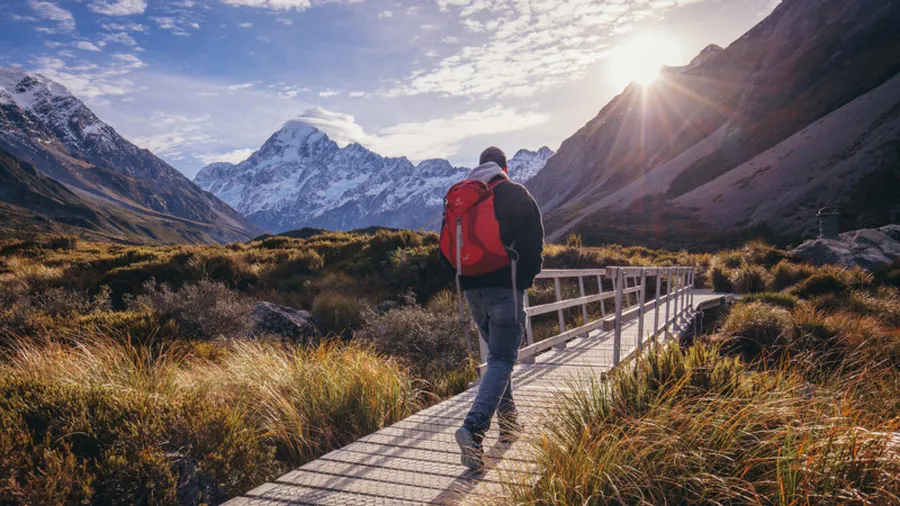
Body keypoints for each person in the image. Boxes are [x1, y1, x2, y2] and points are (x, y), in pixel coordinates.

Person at [440, 146, 544, 470]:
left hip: (473, 291)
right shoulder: (514, 193)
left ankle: (509, 424)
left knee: (497, 358)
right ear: (505, 167)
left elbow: (445, 249)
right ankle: (473, 430)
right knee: (502, 359)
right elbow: (534, 243)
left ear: (480, 164)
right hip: (507, 290)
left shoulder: (463, 199)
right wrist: (523, 279)